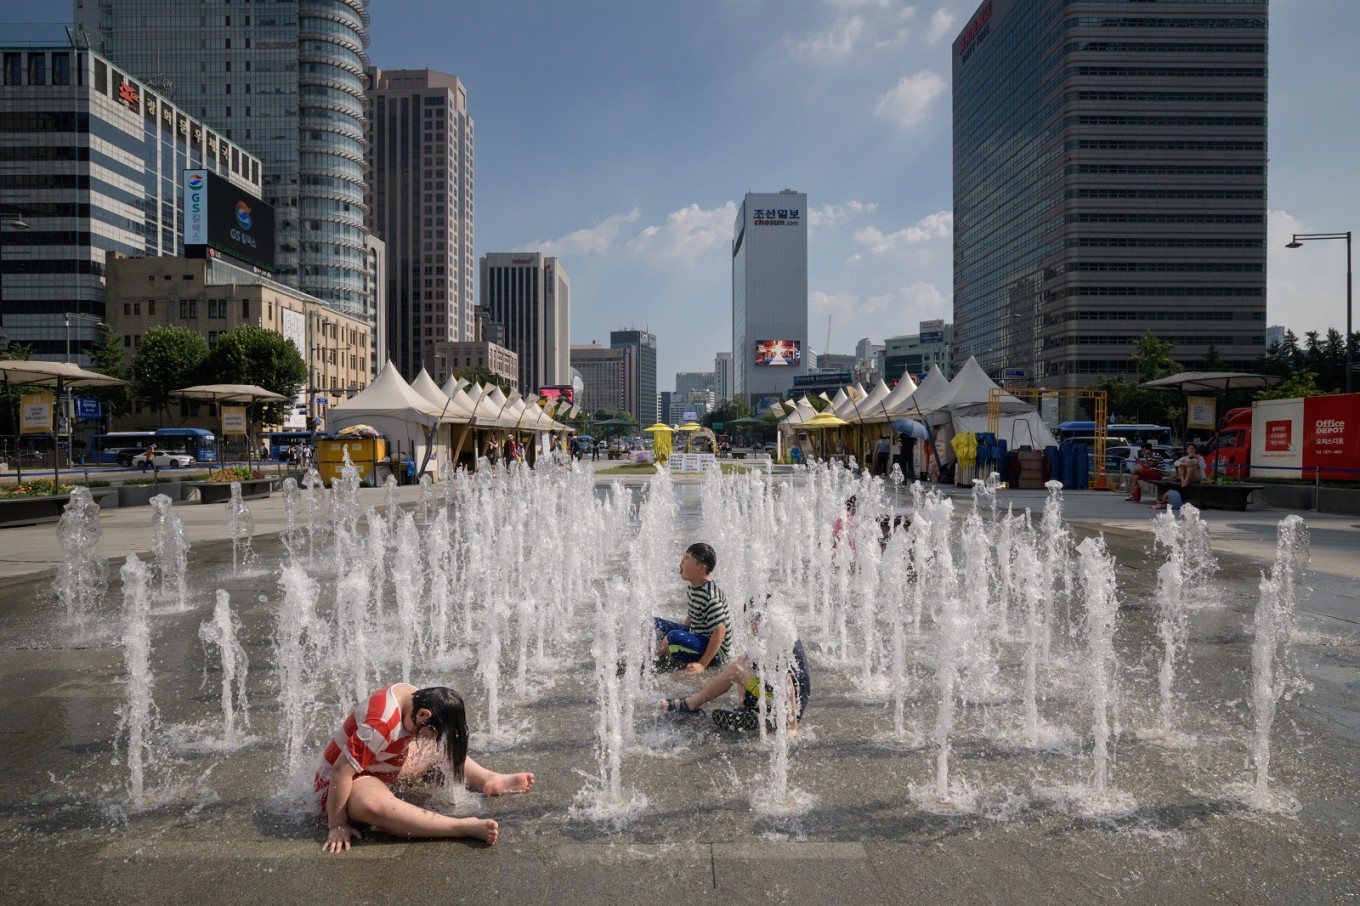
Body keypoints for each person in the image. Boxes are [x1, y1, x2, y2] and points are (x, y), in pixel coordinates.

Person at [315, 683, 534, 853]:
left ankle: (487, 778)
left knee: (433, 746)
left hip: (383, 763)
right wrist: (337, 825)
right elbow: (341, 770)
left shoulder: (414, 698)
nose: (432, 738)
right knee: (375, 806)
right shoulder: (380, 724)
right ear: (423, 715)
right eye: (432, 730)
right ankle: (461, 827)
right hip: (342, 783)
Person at [660, 601, 810, 737]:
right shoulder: (776, 632)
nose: (747, 626)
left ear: (757, 619)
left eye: (748, 621)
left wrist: (792, 727)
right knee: (742, 661)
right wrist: (742, 702)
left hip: (786, 707)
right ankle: (750, 707)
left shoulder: (773, 641)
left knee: (735, 670)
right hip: (784, 701)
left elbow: (788, 681)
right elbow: (745, 660)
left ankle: (690, 704)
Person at [652, 542, 732, 674]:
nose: (680, 563)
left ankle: (659, 660)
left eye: (686, 560)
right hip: (699, 637)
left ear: (701, 568)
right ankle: (654, 653)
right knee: (653, 623)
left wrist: (702, 664)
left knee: (673, 638)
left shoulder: (711, 597)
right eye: (682, 559)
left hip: (715, 653)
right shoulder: (693, 588)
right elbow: (692, 616)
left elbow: (719, 631)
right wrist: (684, 633)